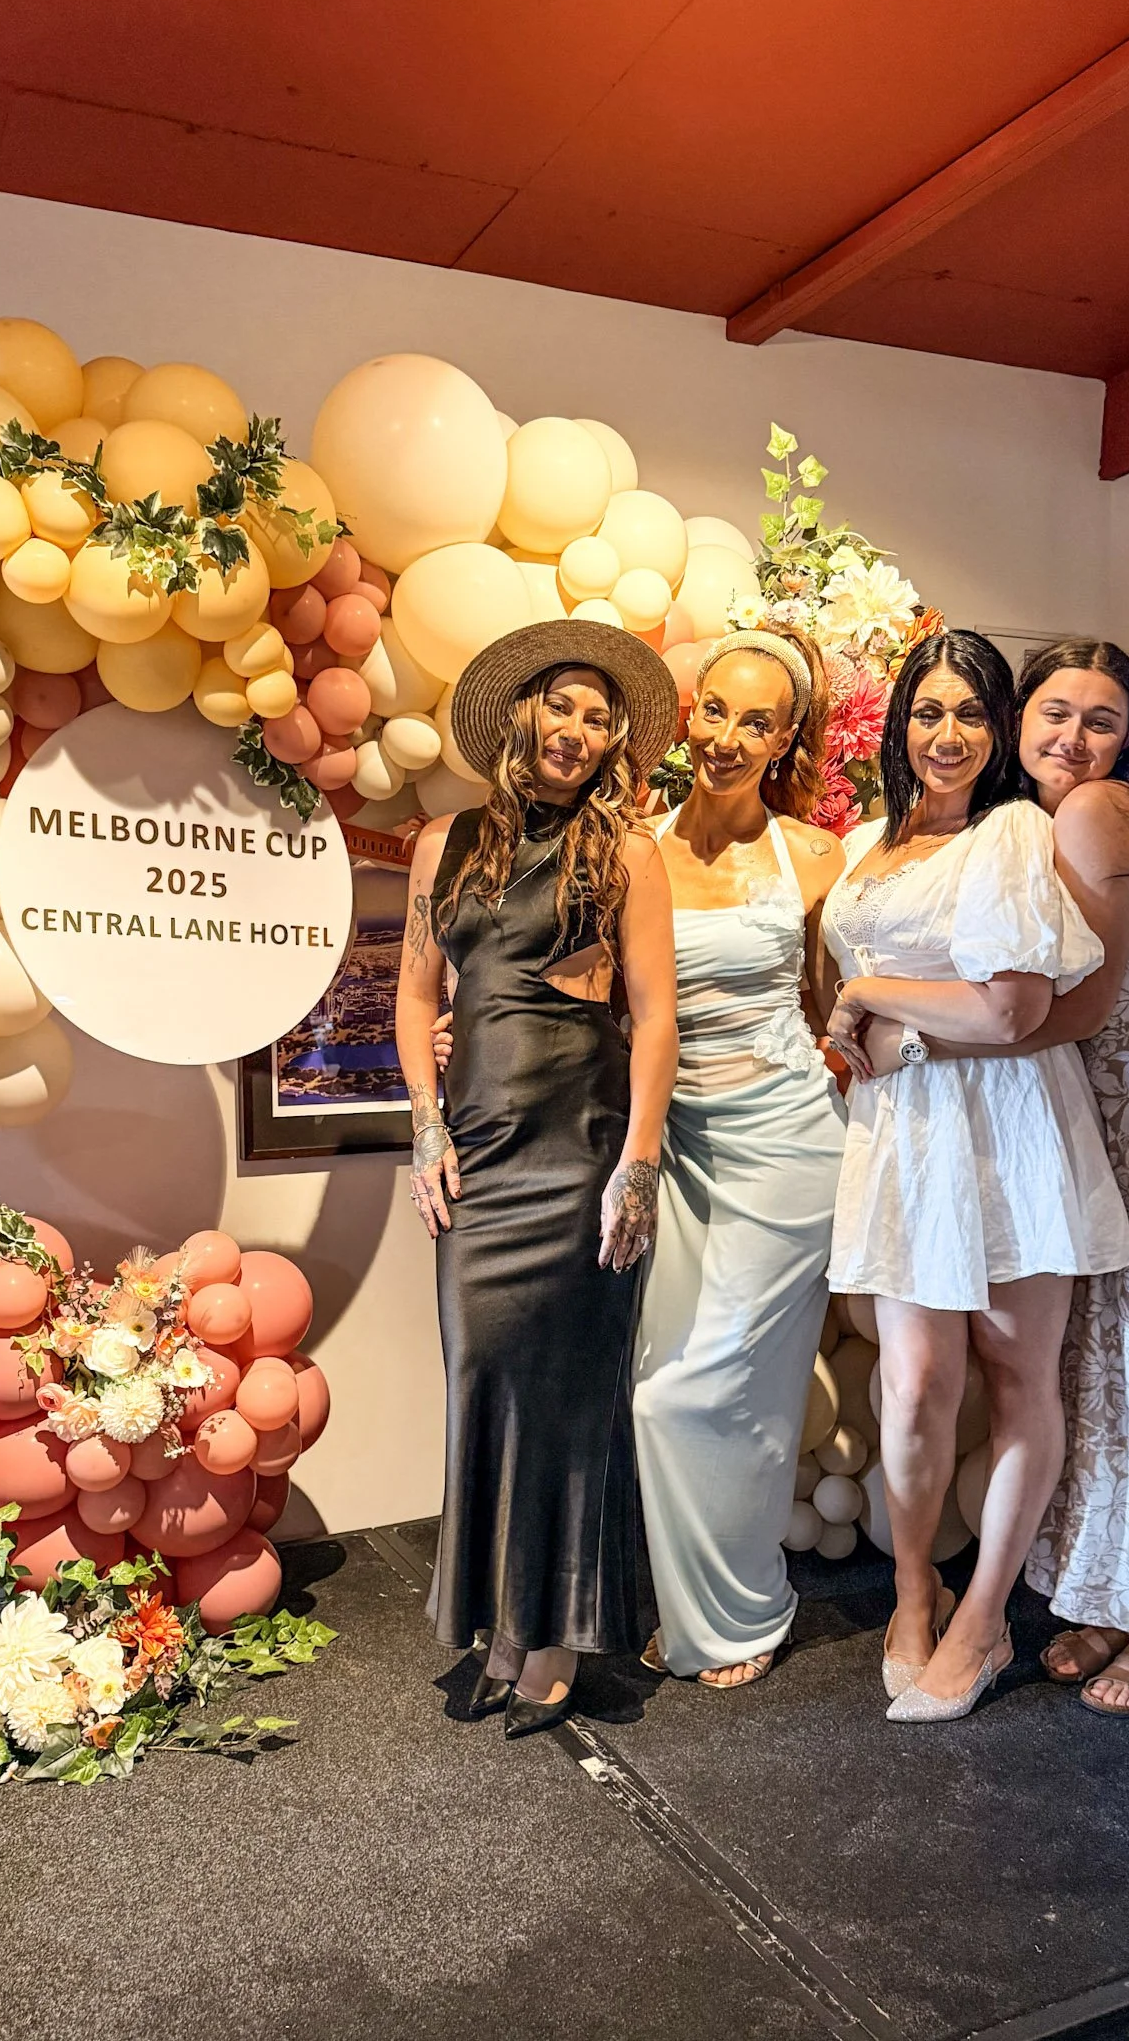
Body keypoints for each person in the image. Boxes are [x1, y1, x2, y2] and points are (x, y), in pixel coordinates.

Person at [866, 641, 1129, 1712]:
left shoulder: (1094, 812)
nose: (1072, 737)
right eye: (1054, 712)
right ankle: (1115, 1591)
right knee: (1102, 1373)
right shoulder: (1036, 820)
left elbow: (1086, 1007)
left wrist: (905, 1032)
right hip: (1090, 1111)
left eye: (1100, 720)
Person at [821, 628, 1129, 1724]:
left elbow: (1014, 1008)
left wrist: (870, 988)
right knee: (910, 1385)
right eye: (927, 711)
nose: (946, 733)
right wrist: (855, 1021)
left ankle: (985, 1615)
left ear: (998, 732)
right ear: (899, 725)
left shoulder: (1010, 832)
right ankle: (915, 1591)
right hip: (903, 1133)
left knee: (1015, 1377)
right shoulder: (869, 838)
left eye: (970, 713)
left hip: (1009, 1134)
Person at [394, 618, 678, 1740]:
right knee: (482, 1376)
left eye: (598, 716)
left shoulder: (627, 853)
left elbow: (656, 1016)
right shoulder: (444, 845)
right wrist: (426, 1128)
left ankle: (554, 1631)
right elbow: (419, 999)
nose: (577, 728)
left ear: (614, 742)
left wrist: (638, 1165)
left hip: (581, 1147)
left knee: (567, 1397)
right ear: (521, 715)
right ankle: (501, 1614)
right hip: (477, 1148)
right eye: (561, 705)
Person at [630, 631, 847, 1688]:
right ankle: (699, 1599)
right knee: (679, 1380)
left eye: (753, 721)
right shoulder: (634, 846)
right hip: (678, 1153)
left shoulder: (812, 854)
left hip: (791, 1151)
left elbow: (826, 1004)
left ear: (785, 736)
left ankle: (744, 1607)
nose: (724, 738)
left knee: (708, 1394)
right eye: (713, 710)